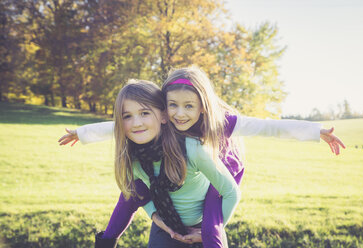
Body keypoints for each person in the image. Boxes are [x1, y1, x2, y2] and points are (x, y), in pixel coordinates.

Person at [59, 66, 345, 247]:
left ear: (203, 107)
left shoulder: (220, 123)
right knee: (130, 192)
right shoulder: (145, 133)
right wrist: (82, 133)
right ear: (164, 108)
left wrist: (315, 131)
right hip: (171, 181)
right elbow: (124, 123)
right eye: (173, 105)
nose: (180, 114)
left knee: (211, 227)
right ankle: (106, 241)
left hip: (219, 172)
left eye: (189, 106)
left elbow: (269, 127)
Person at [62, 79, 240, 248]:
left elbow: (231, 191)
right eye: (127, 116)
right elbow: (140, 192)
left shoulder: (192, 149)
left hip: (204, 228)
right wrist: (155, 216)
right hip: (165, 230)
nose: (136, 123)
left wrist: (209, 231)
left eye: (144, 113)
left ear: (164, 116)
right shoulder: (132, 155)